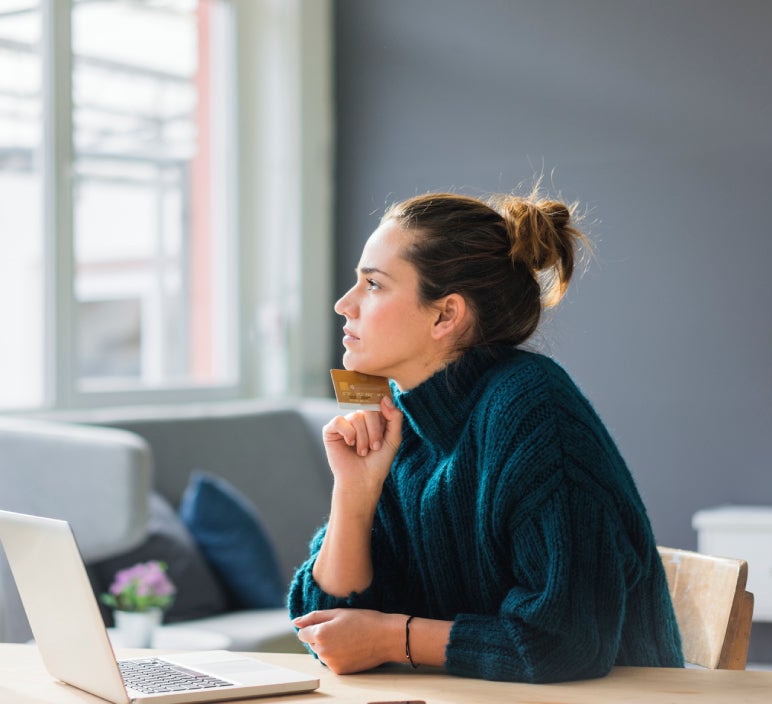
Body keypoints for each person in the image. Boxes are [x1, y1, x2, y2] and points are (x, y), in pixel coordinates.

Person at [287, 189, 684, 683]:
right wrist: (355, 491)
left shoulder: (533, 410)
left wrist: (392, 637)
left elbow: (566, 640)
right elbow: (324, 626)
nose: (344, 304)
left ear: (445, 315)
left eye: (373, 284)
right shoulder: (400, 423)